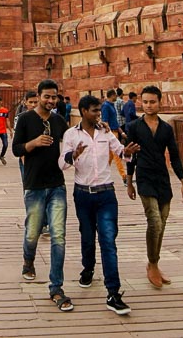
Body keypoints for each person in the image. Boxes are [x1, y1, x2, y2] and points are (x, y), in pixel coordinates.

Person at [59, 95, 140, 315]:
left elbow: (120, 152)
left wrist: (128, 153)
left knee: (108, 240)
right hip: (83, 194)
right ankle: (88, 268)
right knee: (87, 236)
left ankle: (113, 292)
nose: (98, 114)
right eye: (95, 111)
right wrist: (73, 155)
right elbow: (61, 164)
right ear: (83, 111)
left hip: (106, 193)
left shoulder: (105, 132)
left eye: (99, 111)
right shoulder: (71, 134)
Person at [12, 79, 72, 312]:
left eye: (53, 97)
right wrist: (33, 143)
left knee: (59, 236)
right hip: (34, 185)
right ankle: (29, 260)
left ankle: (56, 287)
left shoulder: (58, 121)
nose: (50, 100)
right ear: (38, 96)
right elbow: (16, 149)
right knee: (32, 232)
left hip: (57, 184)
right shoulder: (26, 119)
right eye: (46, 96)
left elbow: (72, 140)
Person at [124, 85, 183, 289]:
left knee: (162, 221)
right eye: (145, 102)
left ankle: (154, 263)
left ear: (160, 102)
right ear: (140, 103)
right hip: (144, 177)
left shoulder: (166, 128)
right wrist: (129, 180)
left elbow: (175, 155)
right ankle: (152, 264)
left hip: (162, 178)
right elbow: (131, 154)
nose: (149, 105)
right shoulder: (134, 126)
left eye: (152, 102)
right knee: (155, 221)